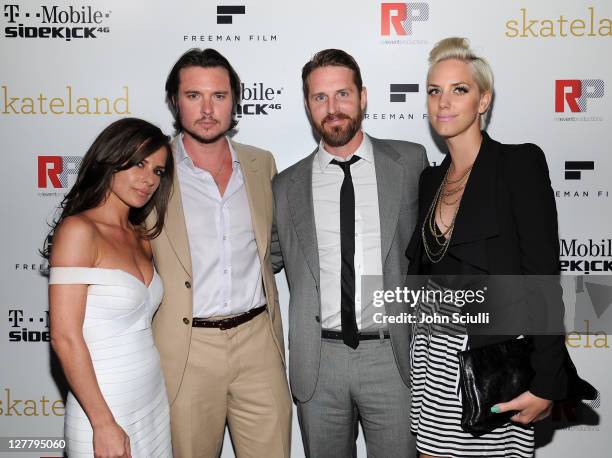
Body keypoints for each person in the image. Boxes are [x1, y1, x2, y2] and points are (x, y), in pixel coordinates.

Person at [405, 37, 572, 458]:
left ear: (483, 100)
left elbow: (543, 280)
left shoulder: (518, 166)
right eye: (434, 90)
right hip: (432, 361)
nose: (443, 102)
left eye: (459, 89)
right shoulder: (430, 180)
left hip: (489, 363)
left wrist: (547, 381)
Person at [271, 49, 428, 457]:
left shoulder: (410, 162)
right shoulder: (285, 186)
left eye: (342, 94)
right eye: (320, 97)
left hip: (392, 357)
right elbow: (259, 258)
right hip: (318, 361)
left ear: (363, 96)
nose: (333, 108)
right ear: (307, 105)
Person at [148, 48, 291, 458]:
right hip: (187, 345)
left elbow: (273, 247)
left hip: (258, 340)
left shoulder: (261, 164)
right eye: (194, 96)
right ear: (176, 101)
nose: (207, 109)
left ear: (235, 101)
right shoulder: (152, 170)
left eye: (219, 96)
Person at [47, 117, 174, 457]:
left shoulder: (141, 237)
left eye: (158, 171)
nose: (149, 179)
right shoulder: (79, 230)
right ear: (111, 158)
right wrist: (102, 422)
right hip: (103, 406)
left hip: (152, 397)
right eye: (138, 164)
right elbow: (64, 336)